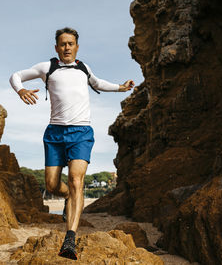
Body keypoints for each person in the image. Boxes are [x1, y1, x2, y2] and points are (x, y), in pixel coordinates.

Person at [9, 27, 134, 260]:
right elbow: (15, 76)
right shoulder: (47, 67)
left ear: (77, 46)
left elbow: (98, 83)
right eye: (63, 44)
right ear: (57, 47)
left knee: (77, 179)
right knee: (53, 184)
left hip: (81, 133)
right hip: (54, 134)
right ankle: (67, 197)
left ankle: (70, 238)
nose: (67, 47)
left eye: (71, 43)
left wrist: (121, 87)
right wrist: (21, 90)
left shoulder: (84, 68)